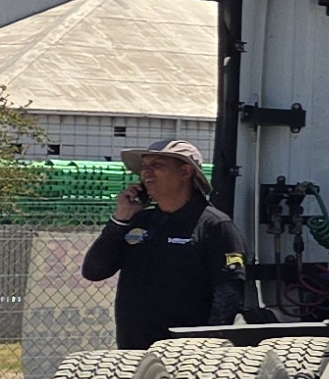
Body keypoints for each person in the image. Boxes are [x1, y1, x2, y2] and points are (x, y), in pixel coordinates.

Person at [81, 140, 245, 351]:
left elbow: (229, 291)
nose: (146, 173)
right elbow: (94, 271)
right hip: (134, 353)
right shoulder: (139, 221)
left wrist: (208, 345)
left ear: (185, 172)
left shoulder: (214, 225)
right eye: (144, 167)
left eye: (157, 166)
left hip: (188, 356)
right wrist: (121, 218)